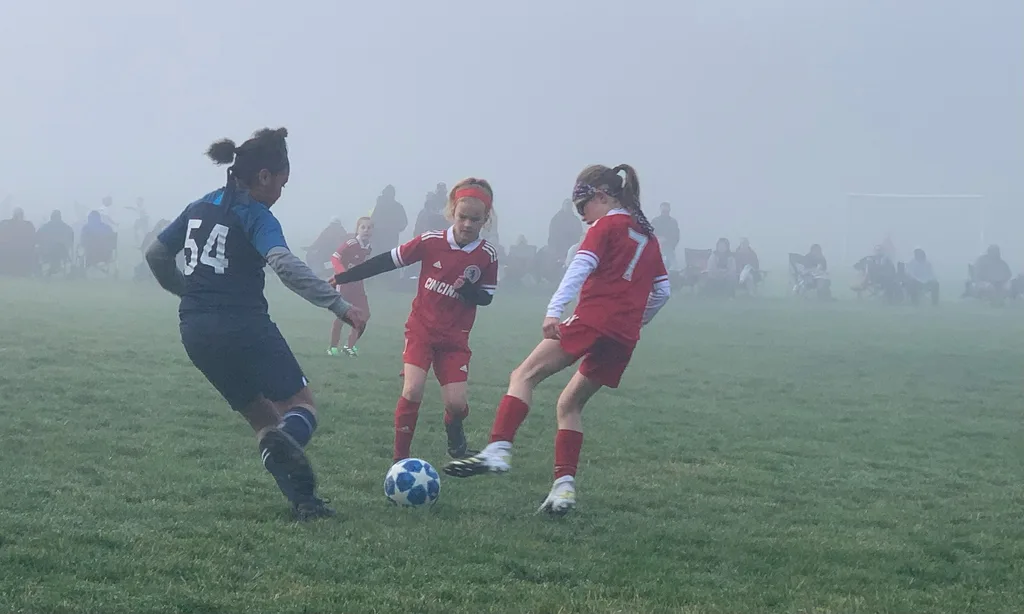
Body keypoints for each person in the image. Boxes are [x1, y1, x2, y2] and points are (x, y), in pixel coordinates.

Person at [145, 127, 366, 521]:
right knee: (302, 409)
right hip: (243, 326)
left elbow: (156, 254)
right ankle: (287, 447)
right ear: (264, 176)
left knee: (262, 418)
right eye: (282, 182)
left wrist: (188, 293)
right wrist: (339, 305)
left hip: (195, 332)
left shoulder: (199, 206)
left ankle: (305, 503)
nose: (281, 192)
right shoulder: (255, 214)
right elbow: (283, 263)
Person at [444, 164, 671, 517]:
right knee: (570, 405)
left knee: (524, 375)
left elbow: (579, 268)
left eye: (583, 208)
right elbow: (662, 292)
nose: (582, 217)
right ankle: (563, 489)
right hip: (624, 337)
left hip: (592, 319)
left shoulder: (605, 225)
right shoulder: (649, 236)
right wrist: (634, 322)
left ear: (601, 196)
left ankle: (499, 448)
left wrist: (554, 310)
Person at [333, 178, 499, 463]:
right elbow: (387, 260)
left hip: (454, 339)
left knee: (457, 404)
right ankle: (400, 460)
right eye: (463, 217)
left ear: (485, 220)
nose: (468, 224)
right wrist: (344, 277)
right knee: (412, 389)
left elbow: (486, 297)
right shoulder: (430, 241)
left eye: (476, 219)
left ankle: (455, 437)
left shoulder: (487, 255)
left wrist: (467, 290)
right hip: (421, 329)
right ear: (452, 213)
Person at [328, 217, 374, 356]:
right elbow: (335, 257)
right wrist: (343, 274)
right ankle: (332, 347)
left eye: (369, 228)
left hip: (358, 285)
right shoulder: (351, 243)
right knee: (342, 315)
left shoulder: (368, 247)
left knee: (365, 314)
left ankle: (349, 346)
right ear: (357, 229)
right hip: (345, 284)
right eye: (363, 227)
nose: (366, 230)